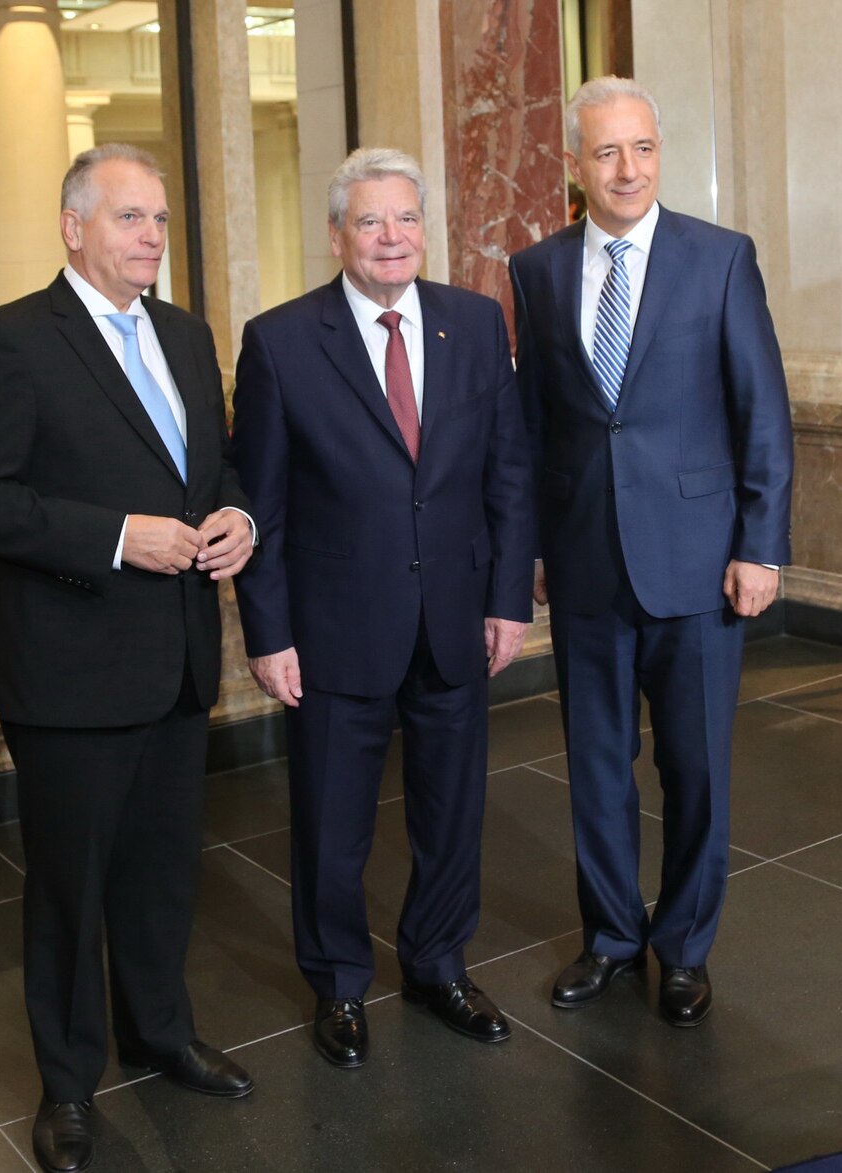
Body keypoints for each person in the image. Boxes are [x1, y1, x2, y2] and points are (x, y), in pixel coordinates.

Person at [0, 144, 256, 1173]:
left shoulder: (182, 331)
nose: (151, 237)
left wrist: (238, 514)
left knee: (163, 873)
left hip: (174, 658)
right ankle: (67, 1087)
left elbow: (219, 462)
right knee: (70, 892)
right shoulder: (11, 341)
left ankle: (159, 1036)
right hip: (70, 669)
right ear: (73, 227)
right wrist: (118, 536)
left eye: (159, 219)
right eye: (129, 219)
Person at [231, 147, 536, 1069]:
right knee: (333, 819)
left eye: (407, 218)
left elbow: (508, 473)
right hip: (333, 631)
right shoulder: (280, 340)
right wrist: (268, 633)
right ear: (338, 235)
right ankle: (338, 983)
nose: (394, 237)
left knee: (453, 810)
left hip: (454, 616)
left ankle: (440, 962)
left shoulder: (475, 325)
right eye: (372, 222)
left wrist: (508, 596)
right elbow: (262, 503)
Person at [508, 77, 793, 1027]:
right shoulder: (536, 270)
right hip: (586, 561)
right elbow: (539, 427)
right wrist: (538, 550)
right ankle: (611, 936)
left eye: (641, 149)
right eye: (605, 153)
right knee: (594, 762)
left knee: (696, 767)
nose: (627, 169)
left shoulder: (720, 259)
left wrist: (761, 546)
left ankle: (684, 945)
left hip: (701, 562)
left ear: (658, 154)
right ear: (574, 167)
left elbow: (764, 415)